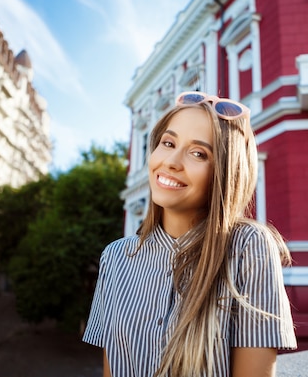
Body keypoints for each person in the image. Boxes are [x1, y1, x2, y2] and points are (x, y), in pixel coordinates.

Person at [82, 91, 297, 377]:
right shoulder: (115, 257)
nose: (171, 161)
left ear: (224, 172)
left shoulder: (249, 248)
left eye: (198, 153)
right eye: (168, 143)